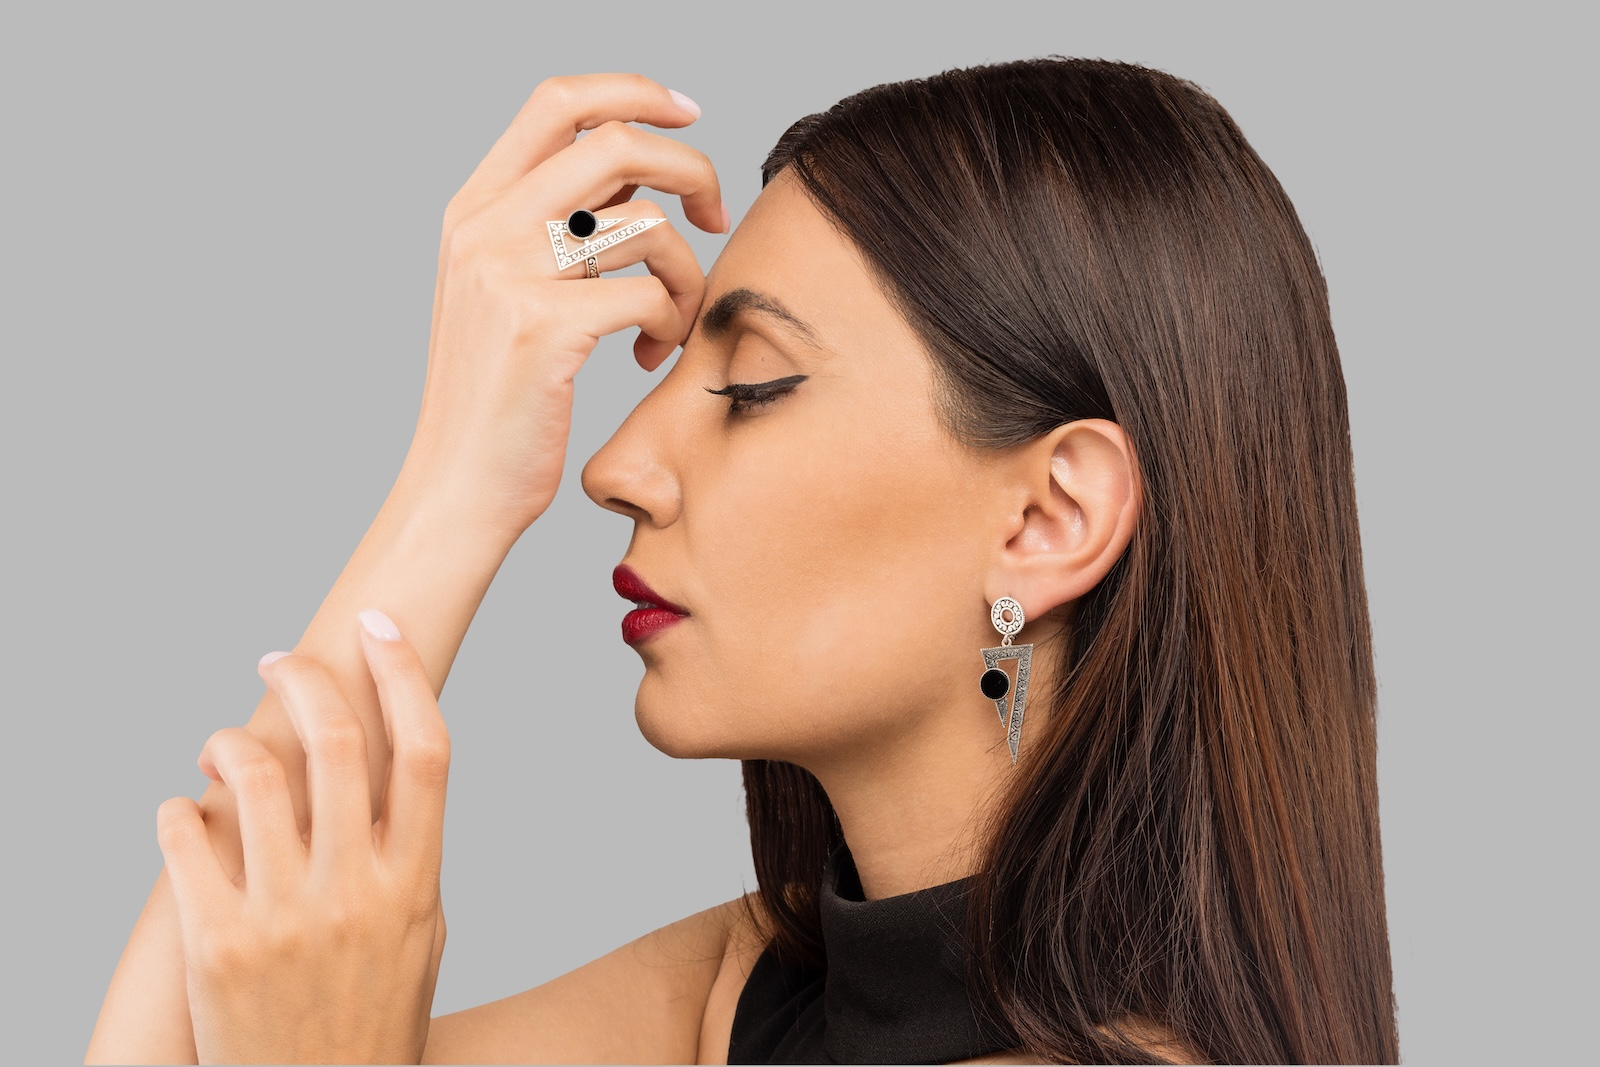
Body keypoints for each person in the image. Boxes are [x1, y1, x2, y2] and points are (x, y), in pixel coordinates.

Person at [87, 57, 1398, 1065]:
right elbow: (191, 1025)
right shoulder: (751, 988)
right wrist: (462, 473)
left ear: (1047, 519)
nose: (616, 467)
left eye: (754, 385)